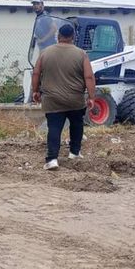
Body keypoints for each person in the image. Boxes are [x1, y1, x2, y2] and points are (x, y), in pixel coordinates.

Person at [31, 23, 96, 170]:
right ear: (73, 37)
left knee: (54, 127)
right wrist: (91, 97)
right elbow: (89, 77)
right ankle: (74, 153)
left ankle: (52, 159)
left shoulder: (45, 52)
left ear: (58, 36)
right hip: (75, 100)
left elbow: (36, 73)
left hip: (52, 100)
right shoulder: (81, 54)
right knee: (77, 125)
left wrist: (35, 91)